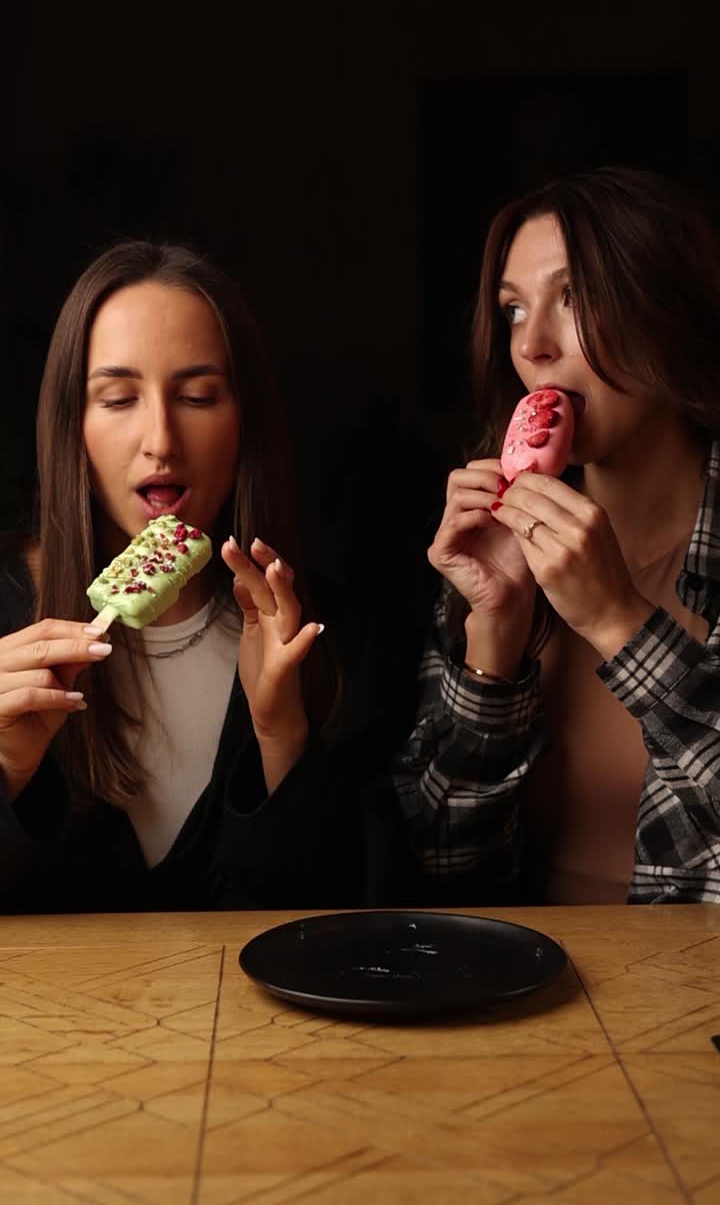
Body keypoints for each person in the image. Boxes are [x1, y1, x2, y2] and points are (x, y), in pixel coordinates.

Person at [0, 240, 395, 912]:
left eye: (197, 396)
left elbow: (349, 920)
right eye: (119, 399)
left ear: (245, 424)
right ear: (72, 426)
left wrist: (280, 735)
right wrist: (6, 768)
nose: (160, 438)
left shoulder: (334, 637)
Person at [392, 166, 720, 905]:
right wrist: (495, 634)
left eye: (572, 298)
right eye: (512, 310)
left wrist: (618, 624)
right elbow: (443, 864)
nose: (533, 343)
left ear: (666, 307)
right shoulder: (498, 552)